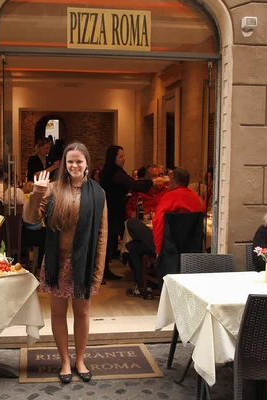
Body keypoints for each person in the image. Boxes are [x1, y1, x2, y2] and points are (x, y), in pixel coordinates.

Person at [24, 142, 107, 384]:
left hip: (85, 264)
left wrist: (98, 272)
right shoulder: (52, 189)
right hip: (57, 262)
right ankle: (64, 361)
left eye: (79, 161)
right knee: (58, 314)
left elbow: (102, 235)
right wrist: (37, 192)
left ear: (87, 164)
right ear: (64, 164)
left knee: (82, 313)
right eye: (70, 161)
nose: (74, 165)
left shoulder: (99, 193)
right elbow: (30, 221)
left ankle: (80, 360)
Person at [125, 167, 203, 298]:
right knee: (133, 246)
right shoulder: (196, 199)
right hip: (189, 246)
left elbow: (158, 223)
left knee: (131, 224)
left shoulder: (170, 196)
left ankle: (144, 287)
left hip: (168, 246)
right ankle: (144, 286)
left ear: (172, 180)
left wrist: (158, 250)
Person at [100, 145, 165, 281]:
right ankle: (103, 271)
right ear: (114, 157)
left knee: (109, 240)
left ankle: (105, 270)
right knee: (106, 241)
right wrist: (151, 183)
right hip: (110, 210)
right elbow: (133, 184)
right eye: (121, 156)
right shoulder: (115, 173)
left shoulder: (113, 171)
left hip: (113, 210)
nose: (124, 159)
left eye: (124, 156)